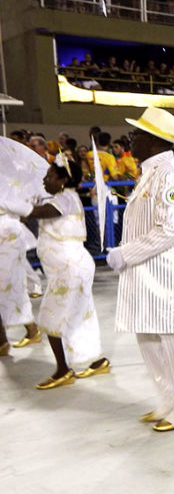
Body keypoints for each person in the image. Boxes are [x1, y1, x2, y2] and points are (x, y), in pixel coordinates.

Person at [106, 107, 174, 432]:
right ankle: (170, 398)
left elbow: (169, 229)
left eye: (136, 135)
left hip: (171, 274)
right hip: (148, 273)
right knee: (147, 335)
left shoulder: (171, 175)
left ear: (152, 141)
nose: (130, 141)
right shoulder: (149, 171)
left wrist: (125, 254)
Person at [25, 160, 110, 389]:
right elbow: (34, 214)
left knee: (50, 315)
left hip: (70, 268)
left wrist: (16, 204)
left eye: (50, 175)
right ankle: (98, 361)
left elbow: (41, 212)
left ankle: (63, 371)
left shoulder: (66, 198)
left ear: (63, 180)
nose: (45, 179)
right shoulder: (59, 197)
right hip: (70, 267)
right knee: (82, 314)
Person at [0, 195, 39, 355]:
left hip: (6, 230)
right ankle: (3, 340)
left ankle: (29, 330)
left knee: (12, 284)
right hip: (8, 229)